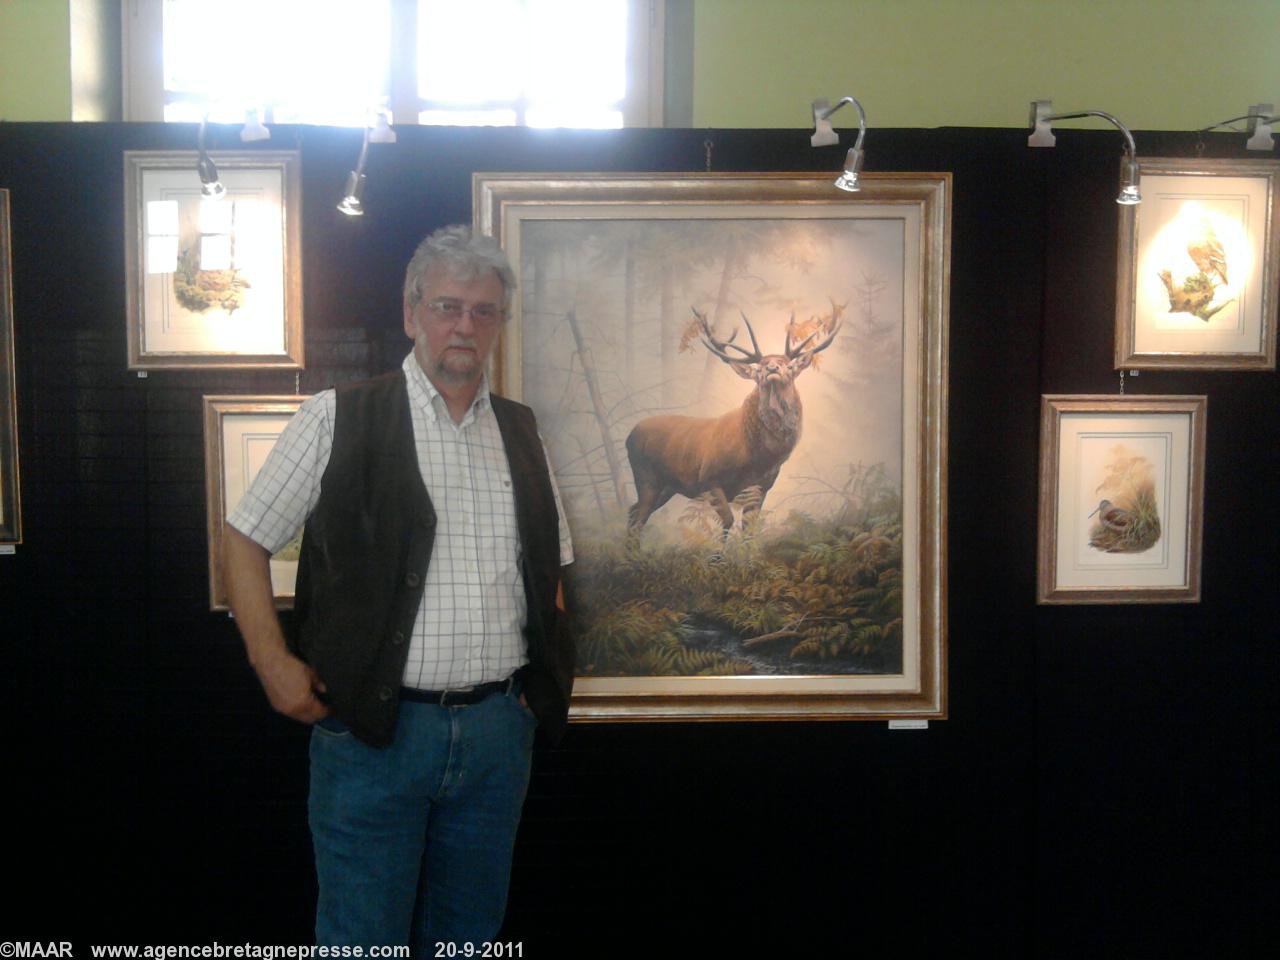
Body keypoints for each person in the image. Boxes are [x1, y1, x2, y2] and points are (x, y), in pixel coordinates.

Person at [222, 225, 574, 953]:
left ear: (500, 325)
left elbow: (549, 570)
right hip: (373, 738)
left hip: (494, 737)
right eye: (448, 306)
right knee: (361, 941)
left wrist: (527, 699)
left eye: (484, 311)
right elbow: (244, 537)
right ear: (412, 313)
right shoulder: (337, 417)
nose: (465, 325)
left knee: (468, 939)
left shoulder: (521, 432)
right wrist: (271, 662)